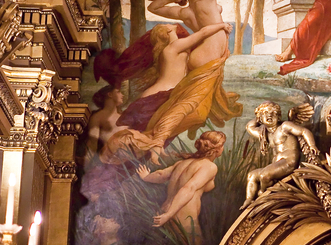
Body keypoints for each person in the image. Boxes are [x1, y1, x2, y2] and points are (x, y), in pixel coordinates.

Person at [100, 22, 238, 164]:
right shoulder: (174, 47)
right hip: (158, 96)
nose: (173, 24)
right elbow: (203, 33)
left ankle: (124, 161)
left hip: (160, 94)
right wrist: (221, 25)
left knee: (145, 136)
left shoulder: (170, 49)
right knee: (142, 136)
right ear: (167, 31)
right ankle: (119, 160)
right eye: (168, 24)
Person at [136, 131, 227, 245]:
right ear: (216, 149)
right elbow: (189, 188)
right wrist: (169, 215)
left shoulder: (181, 163)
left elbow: (161, 175)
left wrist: (146, 177)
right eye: (222, 145)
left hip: (164, 210)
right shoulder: (209, 167)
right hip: (183, 216)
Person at [141, 0, 230, 70]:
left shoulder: (184, 13)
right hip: (208, 54)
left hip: (202, 54)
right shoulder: (207, 0)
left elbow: (152, 8)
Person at [243, 102, 319, 207]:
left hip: (289, 161)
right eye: (266, 113)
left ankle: (262, 196)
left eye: (273, 113)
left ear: (278, 117)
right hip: (276, 164)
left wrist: (312, 145)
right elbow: (249, 127)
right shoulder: (265, 133)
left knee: (264, 175)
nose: (269, 115)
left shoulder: (284, 127)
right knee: (251, 175)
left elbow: (304, 131)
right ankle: (249, 200)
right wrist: (259, 117)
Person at [86, 87, 126, 153]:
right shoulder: (98, 117)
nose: (122, 95)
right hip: (109, 158)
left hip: (129, 159)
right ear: (110, 94)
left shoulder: (123, 116)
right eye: (118, 92)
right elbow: (92, 144)